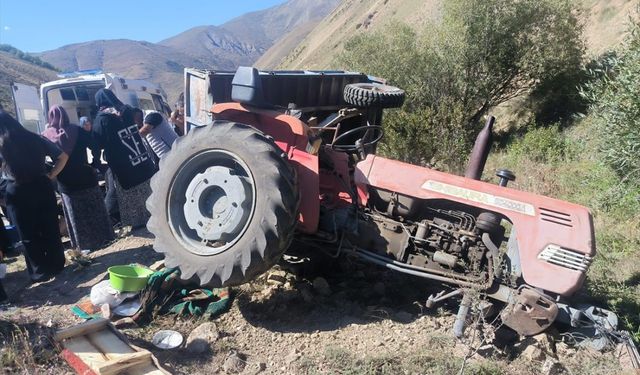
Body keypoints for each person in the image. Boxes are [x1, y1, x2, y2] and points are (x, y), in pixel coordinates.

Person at [0, 110, 68, 283]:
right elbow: (62, 156)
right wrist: (51, 175)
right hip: (42, 185)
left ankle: (40, 272)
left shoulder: (2, 144)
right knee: (50, 227)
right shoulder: (34, 137)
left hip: (17, 190)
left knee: (28, 234)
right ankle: (57, 264)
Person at [43, 106, 114, 251]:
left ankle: (84, 245)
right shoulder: (77, 130)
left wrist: (50, 172)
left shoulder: (46, 136)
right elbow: (94, 144)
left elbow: (39, 158)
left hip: (66, 182)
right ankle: (105, 238)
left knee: (76, 215)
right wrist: (95, 162)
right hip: (86, 175)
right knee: (95, 209)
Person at [92, 89, 155, 228]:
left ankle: (138, 222)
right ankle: (156, 215)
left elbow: (98, 142)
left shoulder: (101, 120)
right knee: (147, 190)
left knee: (131, 196)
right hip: (141, 159)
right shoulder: (126, 111)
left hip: (124, 165)